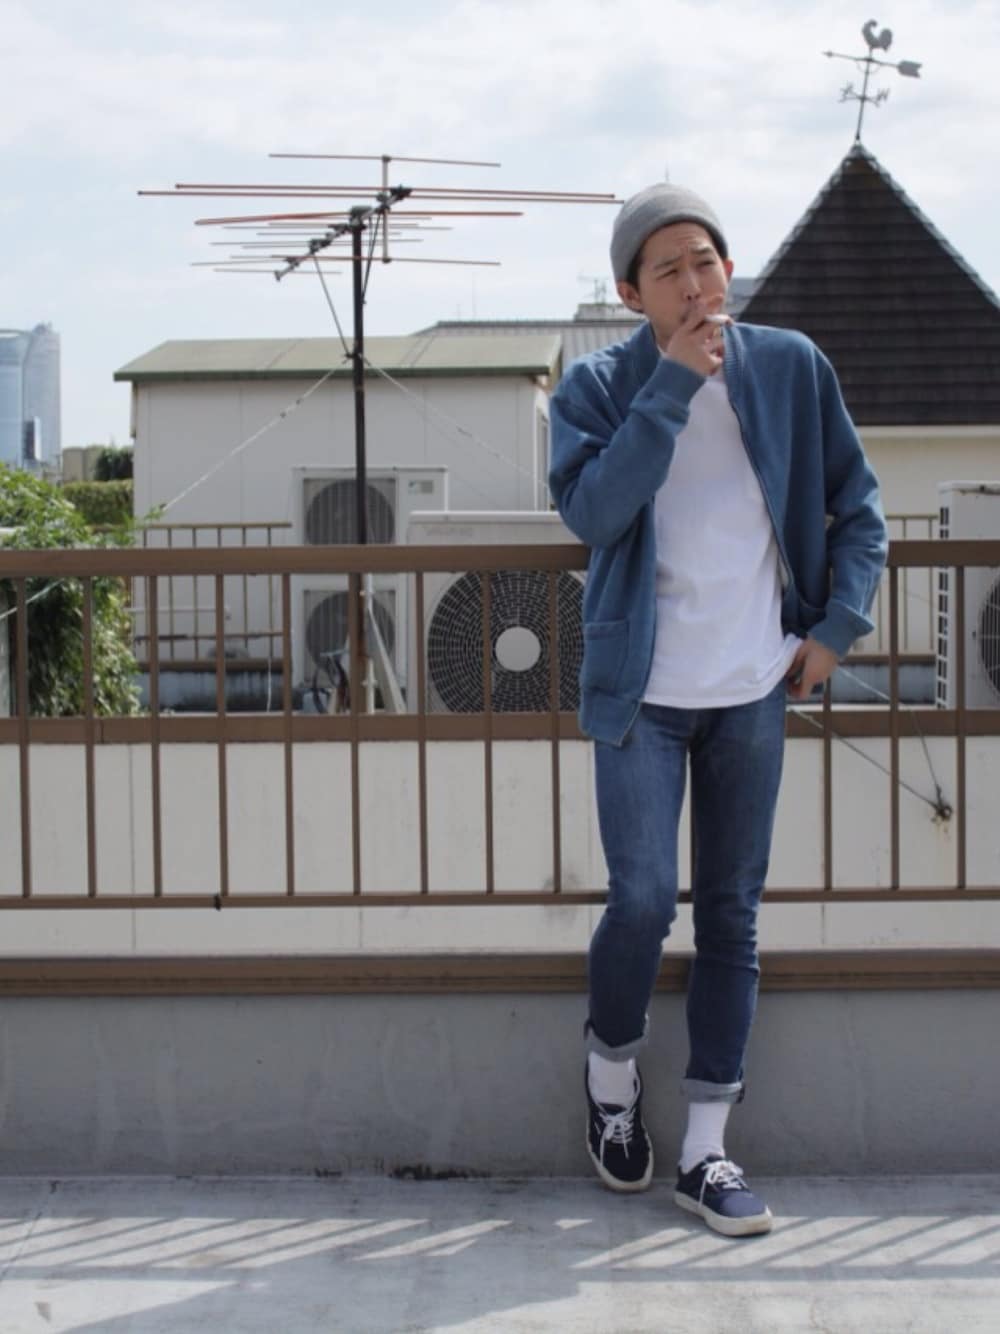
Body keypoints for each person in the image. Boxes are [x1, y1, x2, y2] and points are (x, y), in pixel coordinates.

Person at [548, 183, 887, 1237]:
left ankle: (705, 1149)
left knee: (732, 913)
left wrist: (836, 626)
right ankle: (610, 1074)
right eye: (668, 271)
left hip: (753, 688)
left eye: (706, 261)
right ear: (630, 294)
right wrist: (670, 387)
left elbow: (859, 506)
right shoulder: (596, 386)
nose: (694, 284)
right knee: (644, 899)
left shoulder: (789, 366)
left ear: (729, 268)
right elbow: (592, 512)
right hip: (639, 694)